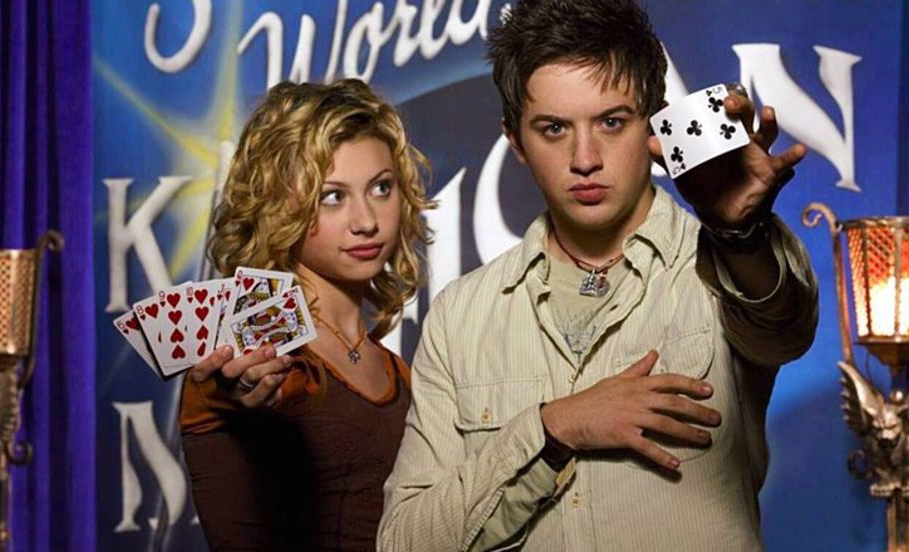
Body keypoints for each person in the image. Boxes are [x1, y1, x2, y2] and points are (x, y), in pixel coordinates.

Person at [378, 0, 818, 550]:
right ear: (515, 141)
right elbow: (404, 541)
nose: (584, 158)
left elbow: (784, 326)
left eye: (611, 122)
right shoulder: (459, 314)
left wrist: (740, 234)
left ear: (654, 124)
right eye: (553, 129)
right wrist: (554, 427)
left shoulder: (726, 266)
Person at [179, 78, 434, 551]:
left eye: (381, 188)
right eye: (332, 196)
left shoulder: (399, 374)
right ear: (279, 206)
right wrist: (244, 389)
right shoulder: (250, 343)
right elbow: (245, 387)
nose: (366, 221)